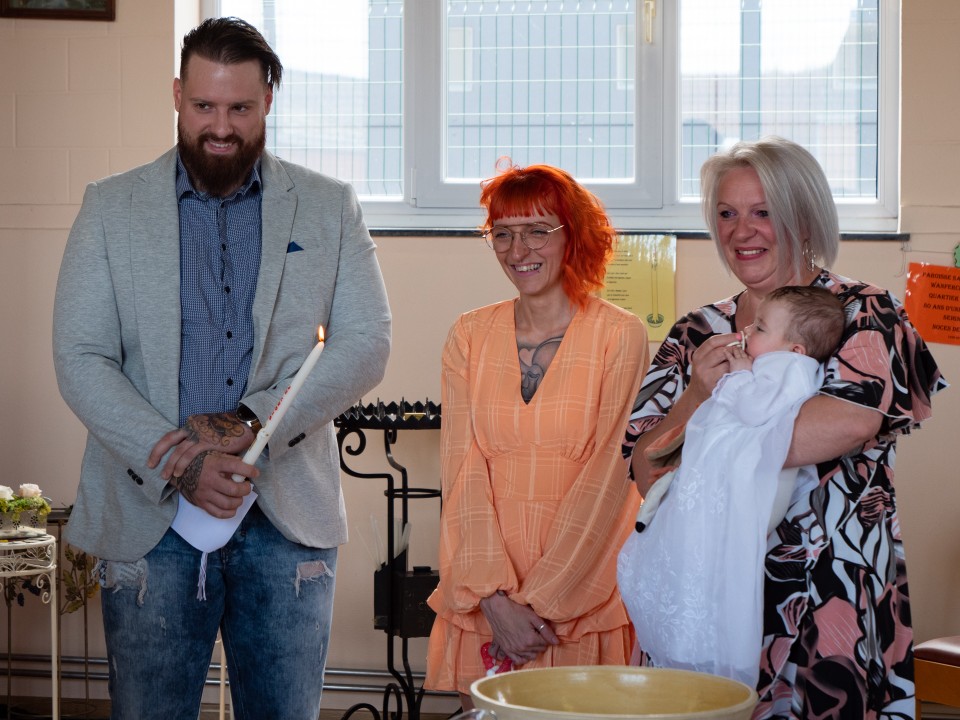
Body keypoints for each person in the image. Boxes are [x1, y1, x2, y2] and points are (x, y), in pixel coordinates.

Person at [52, 17, 391, 720]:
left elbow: (366, 343)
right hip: (149, 516)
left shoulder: (329, 206)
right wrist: (181, 462)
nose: (221, 127)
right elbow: (81, 358)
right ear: (177, 95)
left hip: (287, 516)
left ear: (268, 100)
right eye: (204, 105)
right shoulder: (109, 206)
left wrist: (250, 422)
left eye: (240, 107)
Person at [623, 136, 946, 719]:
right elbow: (647, 470)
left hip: (829, 599)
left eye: (763, 212)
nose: (741, 231)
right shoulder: (695, 332)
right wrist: (696, 394)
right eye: (727, 213)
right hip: (703, 599)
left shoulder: (861, 312)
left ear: (803, 215)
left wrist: (704, 443)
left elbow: (845, 422)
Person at [425, 162, 649, 708]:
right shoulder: (468, 335)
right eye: (502, 234)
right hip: (488, 598)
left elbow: (612, 477)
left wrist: (541, 603)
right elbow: (461, 470)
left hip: (582, 597)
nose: (517, 249)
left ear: (574, 235)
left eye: (537, 230)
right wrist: (494, 600)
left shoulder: (620, 334)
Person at [618, 285, 846, 687]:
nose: (748, 333)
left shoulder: (790, 369)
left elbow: (758, 410)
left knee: (705, 561)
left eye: (761, 328)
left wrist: (739, 374)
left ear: (795, 349)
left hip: (749, 491)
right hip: (714, 474)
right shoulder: (772, 360)